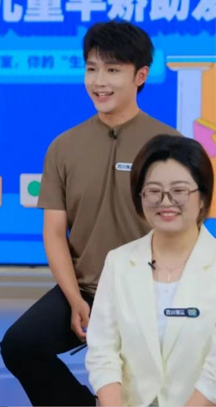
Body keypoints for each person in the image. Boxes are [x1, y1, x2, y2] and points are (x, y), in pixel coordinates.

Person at [0, 20, 181, 406]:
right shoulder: (64, 147)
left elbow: (182, 233)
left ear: (140, 76)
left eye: (112, 70)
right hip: (86, 290)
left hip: (153, 292)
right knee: (20, 344)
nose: (99, 81)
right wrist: (75, 299)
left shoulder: (169, 146)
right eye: (92, 68)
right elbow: (54, 232)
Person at [86, 134, 216, 407]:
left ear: (202, 198)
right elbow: (103, 354)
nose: (165, 201)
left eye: (179, 191)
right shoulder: (119, 262)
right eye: (153, 191)